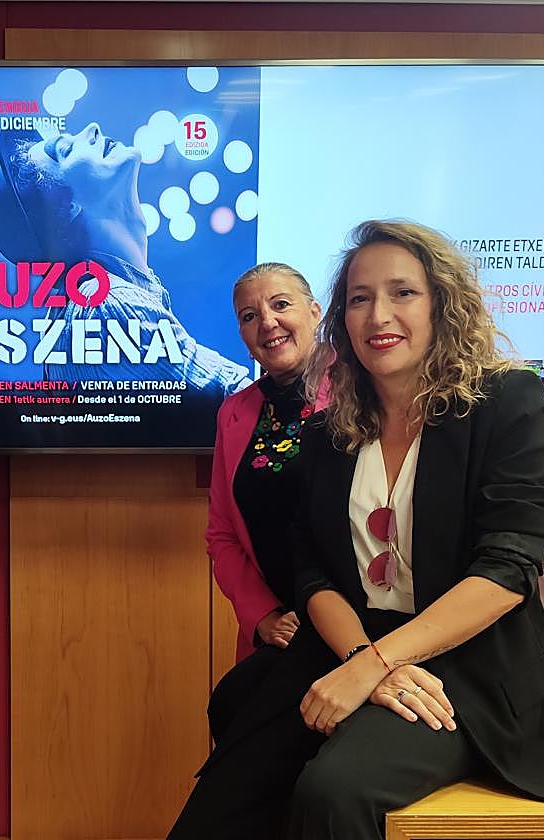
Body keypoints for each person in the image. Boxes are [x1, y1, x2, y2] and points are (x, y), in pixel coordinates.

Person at [170, 220, 544, 840]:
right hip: (353, 641)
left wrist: (372, 665)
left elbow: (507, 569)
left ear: (441, 302)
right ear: (343, 319)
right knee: (225, 792)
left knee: (334, 791)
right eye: (360, 297)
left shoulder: (504, 402)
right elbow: (311, 567)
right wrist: (361, 657)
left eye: (402, 291)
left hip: (467, 663)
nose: (379, 313)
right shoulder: (330, 429)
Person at [0, 123, 251, 397]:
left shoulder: (95, 302)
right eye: (66, 149)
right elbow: (247, 403)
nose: (92, 128)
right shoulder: (108, 306)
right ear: (64, 206)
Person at [205, 262, 330, 740]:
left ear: (315, 311)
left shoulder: (364, 392)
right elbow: (221, 535)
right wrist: (264, 618)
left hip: (360, 630)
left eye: (281, 305)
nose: (267, 323)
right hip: (277, 633)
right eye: (249, 316)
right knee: (236, 726)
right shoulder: (234, 413)